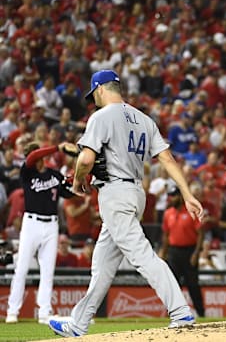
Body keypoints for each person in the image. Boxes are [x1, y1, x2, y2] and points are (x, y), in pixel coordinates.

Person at [49, 70, 204, 337]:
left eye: (93, 94)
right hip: (134, 192)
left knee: (142, 255)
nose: (93, 100)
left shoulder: (101, 116)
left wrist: (77, 182)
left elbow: (85, 160)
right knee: (103, 264)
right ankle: (78, 324)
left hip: (115, 193)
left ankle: (180, 311)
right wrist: (187, 193)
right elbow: (167, 159)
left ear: (99, 89)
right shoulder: (144, 119)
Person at [5, 141, 78, 324]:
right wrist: (58, 147)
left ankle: (44, 312)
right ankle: (12, 311)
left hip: (51, 225)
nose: (35, 159)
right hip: (31, 224)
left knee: (48, 270)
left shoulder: (53, 174)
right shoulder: (27, 171)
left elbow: (66, 193)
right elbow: (31, 158)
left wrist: (74, 183)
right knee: (21, 268)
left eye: (37, 154)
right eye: (32, 155)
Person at [159, 184, 206, 317]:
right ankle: (173, 313)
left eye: (174, 196)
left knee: (193, 284)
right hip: (174, 252)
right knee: (173, 285)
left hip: (189, 251)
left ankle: (201, 313)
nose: (171, 199)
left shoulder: (190, 211)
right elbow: (166, 234)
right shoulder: (168, 213)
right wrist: (164, 252)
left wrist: (197, 253)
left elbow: (201, 233)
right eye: (170, 196)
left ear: (180, 196)